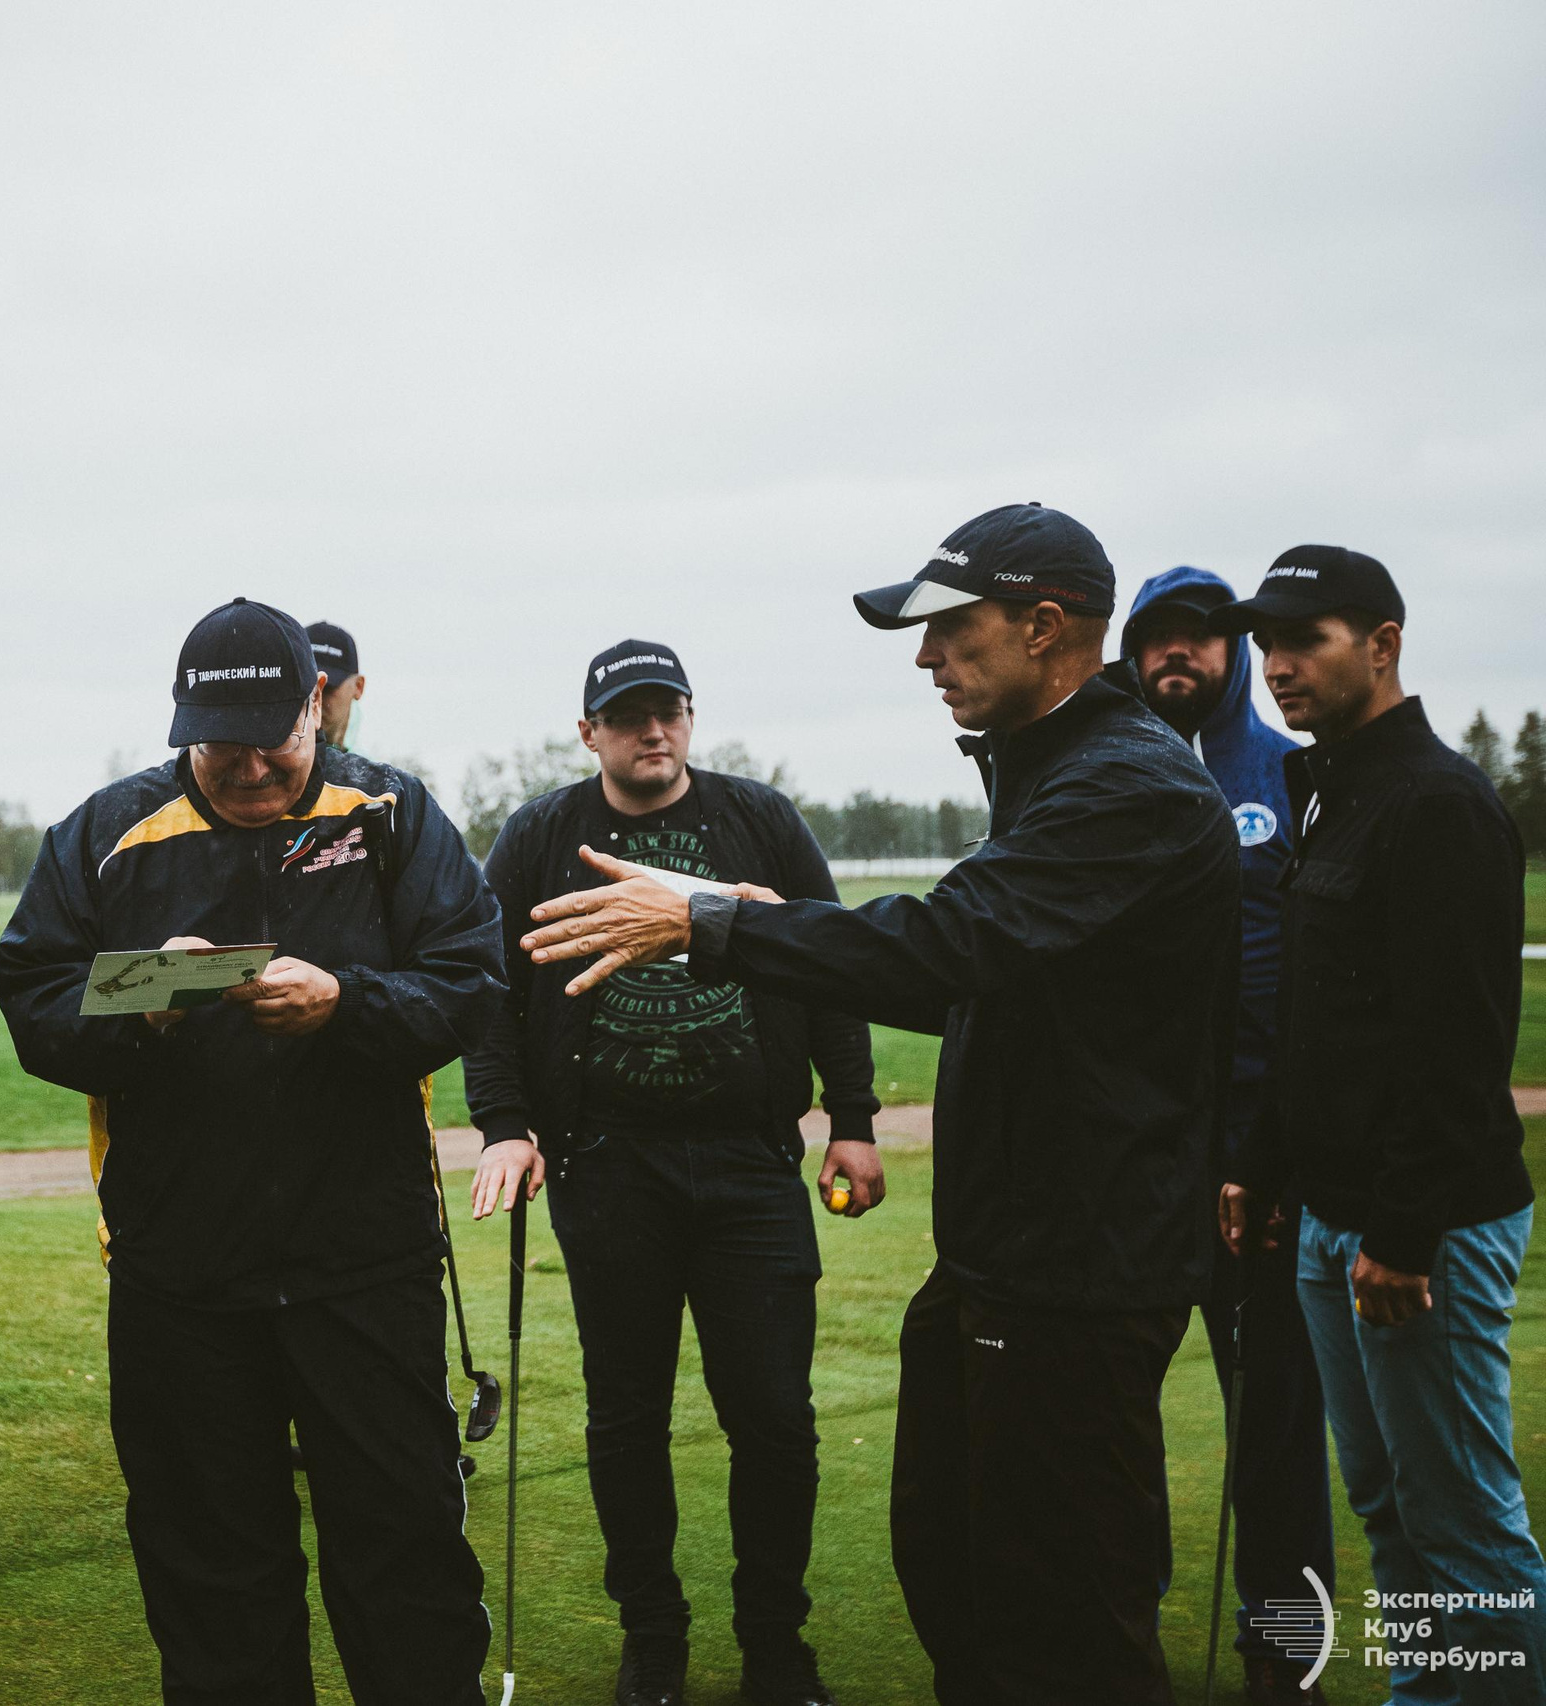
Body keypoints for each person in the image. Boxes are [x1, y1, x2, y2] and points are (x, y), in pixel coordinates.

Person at [521, 504, 1240, 1706]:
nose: (923, 658)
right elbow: (974, 942)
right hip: (1012, 1255)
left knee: (1063, 1617)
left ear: (1045, 627)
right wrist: (757, 914)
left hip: (1077, 1265)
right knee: (963, 1580)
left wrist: (709, 920)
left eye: (949, 630)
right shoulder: (1063, 767)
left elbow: (946, 945)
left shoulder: (1128, 786)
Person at [0, 596, 504, 1705]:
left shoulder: (391, 812)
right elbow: (32, 1001)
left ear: (316, 710)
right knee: (212, 1577)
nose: (250, 768)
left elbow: (471, 978)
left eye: (273, 740)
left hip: (366, 1261)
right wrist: (145, 996)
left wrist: (348, 1000)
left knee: (404, 1558)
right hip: (182, 1272)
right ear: (182, 723)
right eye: (220, 745)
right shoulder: (104, 832)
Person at [464, 638, 882, 1706]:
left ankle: (775, 1646)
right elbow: (486, 988)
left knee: (775, 1416)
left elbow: (831, 961)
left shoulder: (759, 819)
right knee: (626, 1411)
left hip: (749, 1162)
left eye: (670, 710)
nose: (653, 730)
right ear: (588, 731)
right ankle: (652, 1635)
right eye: (629, 714)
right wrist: (506, 1122)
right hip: (609, 1163)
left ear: (691, 718)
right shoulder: (543, 834)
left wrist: (851, 1117)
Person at [1215, 547, 1546, 1700]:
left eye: (1303, 638)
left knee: (1461, 1532)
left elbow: (1455, 1050)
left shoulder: (1440, 806)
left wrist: (1401, 1235)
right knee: (1389, 1514)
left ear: (1384, 643)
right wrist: (1261, 1164)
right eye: (1266, 644)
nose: (1277, 665)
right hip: (1324, 1222)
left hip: (1423, 1234)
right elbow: (1313, 1020)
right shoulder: (1327, 788)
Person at [1122, 567, 1334, 1706]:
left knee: (1276, 1414)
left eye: (1198, 639)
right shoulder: (1106, 780)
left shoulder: (1292, 775)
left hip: (1266, 1158)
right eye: (1156, 640)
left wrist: (1279, 1143)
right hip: (1143, 1153)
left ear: (1233, 652)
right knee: (1116, 1400)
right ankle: (1120, 1617)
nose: (1177, 658)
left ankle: (1285, 1640)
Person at [307, 620, 367, 750]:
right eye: (306, 687)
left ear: (358, 687)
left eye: (327, 687)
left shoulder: (367, 769)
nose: (315, 699)